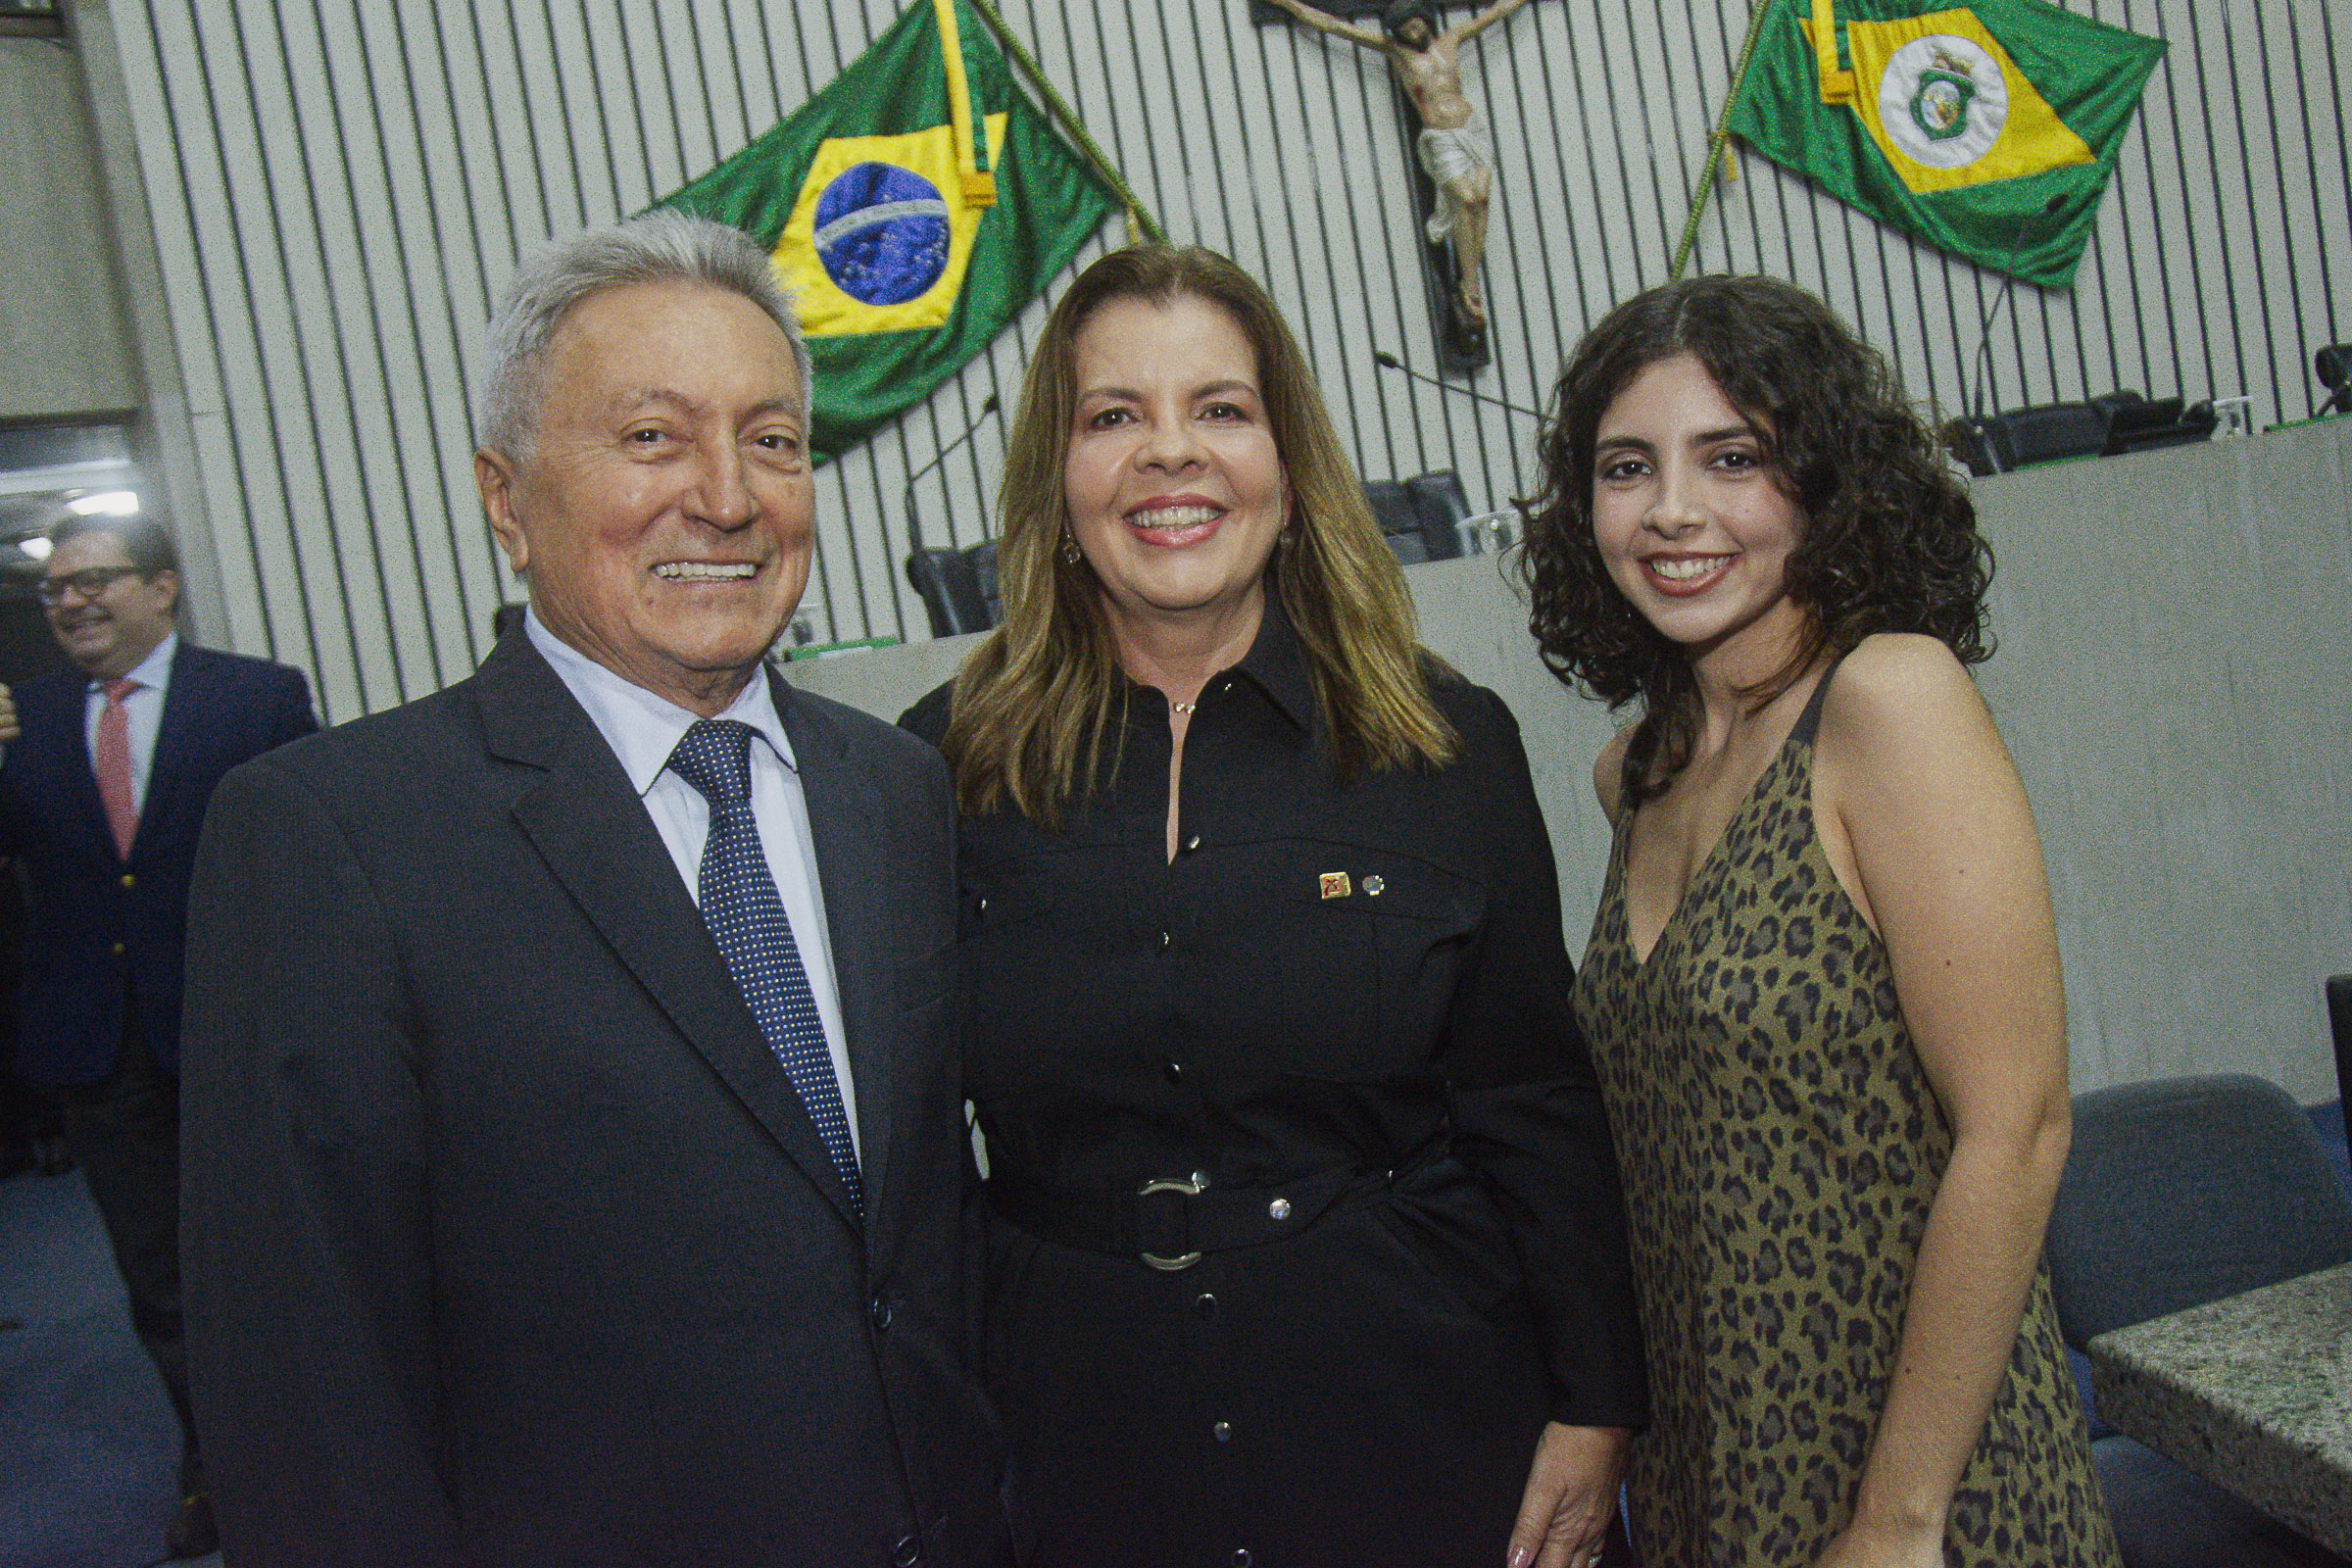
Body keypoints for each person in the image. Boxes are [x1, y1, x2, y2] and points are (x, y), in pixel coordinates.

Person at [178, 211, 1011, 1567]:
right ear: (505, 499)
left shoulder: (897, 789)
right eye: (651, 437)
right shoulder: (332, 838)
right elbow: (307, 1401)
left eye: (772, 440)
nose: (728, 498)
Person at [900, 244, 1647, 1568]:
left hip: (1421, 1435)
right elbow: (909, 1163)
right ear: (1057, 480)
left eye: (1221, 409)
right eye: (1113, 415)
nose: (1169, 453)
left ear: (1288, 472)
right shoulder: (939, 769)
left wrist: (1597, 1409)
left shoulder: (1442, 743)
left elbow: (1534, 1100)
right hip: (1083, 1465)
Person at [1518, 274, 2119, 1567]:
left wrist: (1896, 1519)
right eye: (1627, 467)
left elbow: (2017, 1128)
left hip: (1915, 1482)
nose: (1672, 509)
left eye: (1731, 457)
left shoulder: (1889, 700)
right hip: (1708, 1471)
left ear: (1824, 481)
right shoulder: (1636, 774)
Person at [0, 513, 318, 1560]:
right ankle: (214, 1465)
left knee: (283, 1254)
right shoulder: (23, 718)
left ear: (163, 585)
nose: (72, 603)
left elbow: (307, 860)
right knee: (159, 1275)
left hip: (238, 1025)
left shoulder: (256, 697)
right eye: (55, 590)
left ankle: (323, 1445)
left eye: (94, 579)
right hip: (98, 1045)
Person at [1262, 0, 1534, 336]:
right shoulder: (1397, 53)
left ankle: (1468, 282)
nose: (1412, 32)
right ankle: (1470, 284)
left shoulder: (1452, 38)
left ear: (1426, 19)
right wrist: (1285, 3)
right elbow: (1333, 25)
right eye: (1405, 29)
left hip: (1472, 130)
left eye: (1415, 24)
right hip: (1441, 138)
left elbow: (1496, 13)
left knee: (1481, 200)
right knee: (1465, 200)